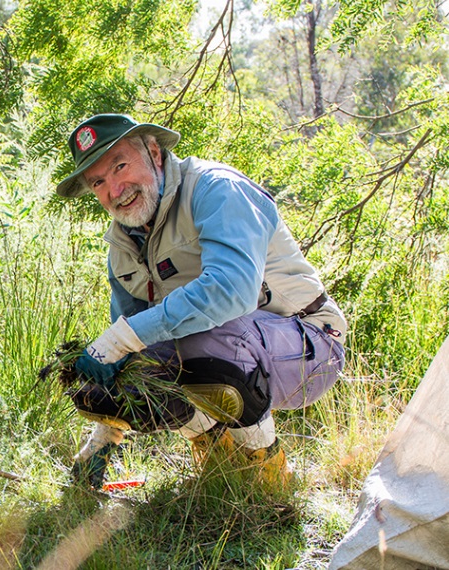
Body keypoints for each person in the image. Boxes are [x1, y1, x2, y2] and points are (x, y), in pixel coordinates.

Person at [54, 114, 347, 490]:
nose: (115, 188)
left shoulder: (216, 190)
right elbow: (131, 351)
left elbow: (231, 290)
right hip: (227, 347)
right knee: (104, 386)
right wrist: (102, 441)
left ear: (155, 154)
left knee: (202, 339)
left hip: (309, 346)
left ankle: (267, 476)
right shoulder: (122, 245)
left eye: (120, 166)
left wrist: (120, 340)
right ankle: (217, 462)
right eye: (98, 181)